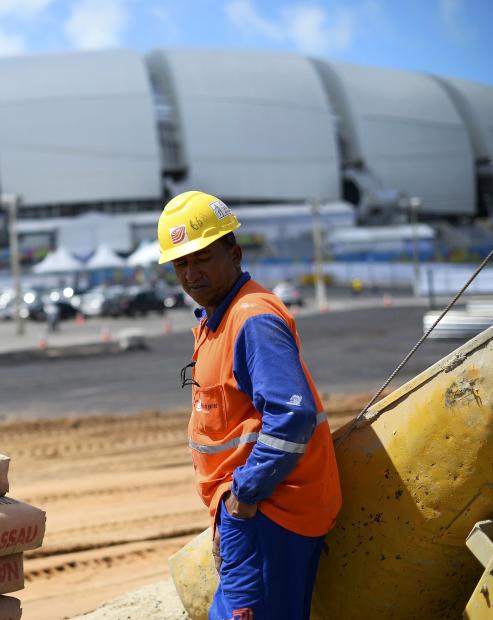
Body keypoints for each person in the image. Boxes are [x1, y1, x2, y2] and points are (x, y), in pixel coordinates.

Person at [157, 191, 341, 620]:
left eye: (202, 258)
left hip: (269, 511)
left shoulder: (251, 318)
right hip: (252, 512)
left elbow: (292, 413)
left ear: (234, 253)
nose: (191, 273)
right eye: (181, 263)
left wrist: (243, 494)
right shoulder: (216, 318)